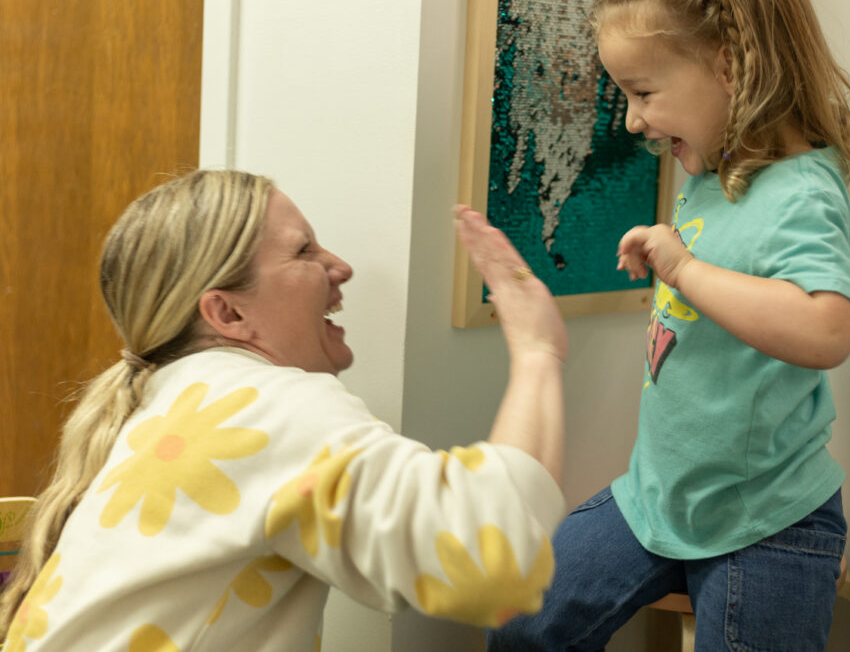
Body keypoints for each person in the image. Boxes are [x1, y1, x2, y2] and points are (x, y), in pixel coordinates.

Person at [488, 0, 850, 650]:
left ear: (731, 67)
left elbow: (828, 329)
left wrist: (685, 271)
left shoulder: (801, 189)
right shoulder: (711, 169)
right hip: (661, 492)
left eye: (644, 93)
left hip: (768, 517)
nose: (633, 120)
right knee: (524, 624)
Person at [0, 169, 567, 651]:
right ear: (227, 313)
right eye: (303, 251)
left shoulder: (171, 399)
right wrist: (537, 355)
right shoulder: (258, 407)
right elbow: (485, 553)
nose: (339, 266)